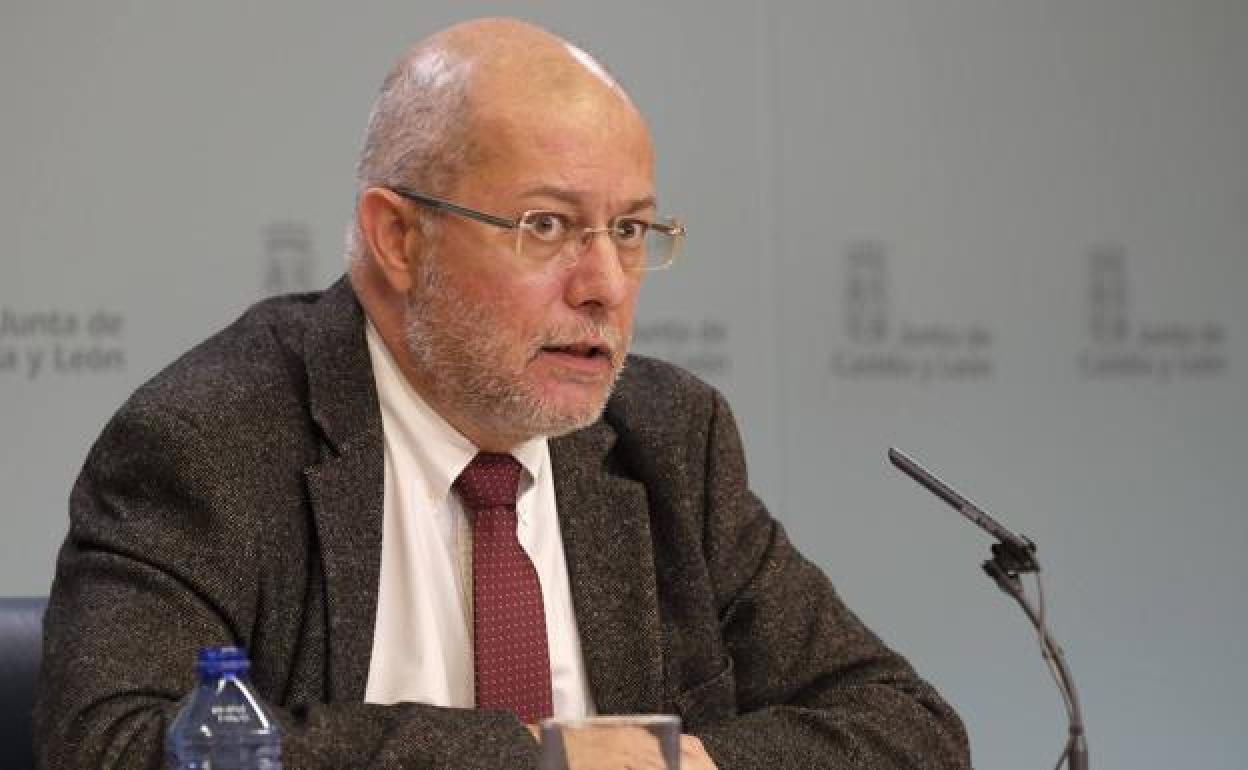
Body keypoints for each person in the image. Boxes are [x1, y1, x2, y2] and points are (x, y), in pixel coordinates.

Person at [34, 17, 971, 770]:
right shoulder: (216, 437)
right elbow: (115, 746)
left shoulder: (669, 438)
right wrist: (533, 758)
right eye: (548, 224)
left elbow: (908, 730)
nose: (604, 281)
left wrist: (682, 765)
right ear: (398, 239)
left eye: (633, 229)